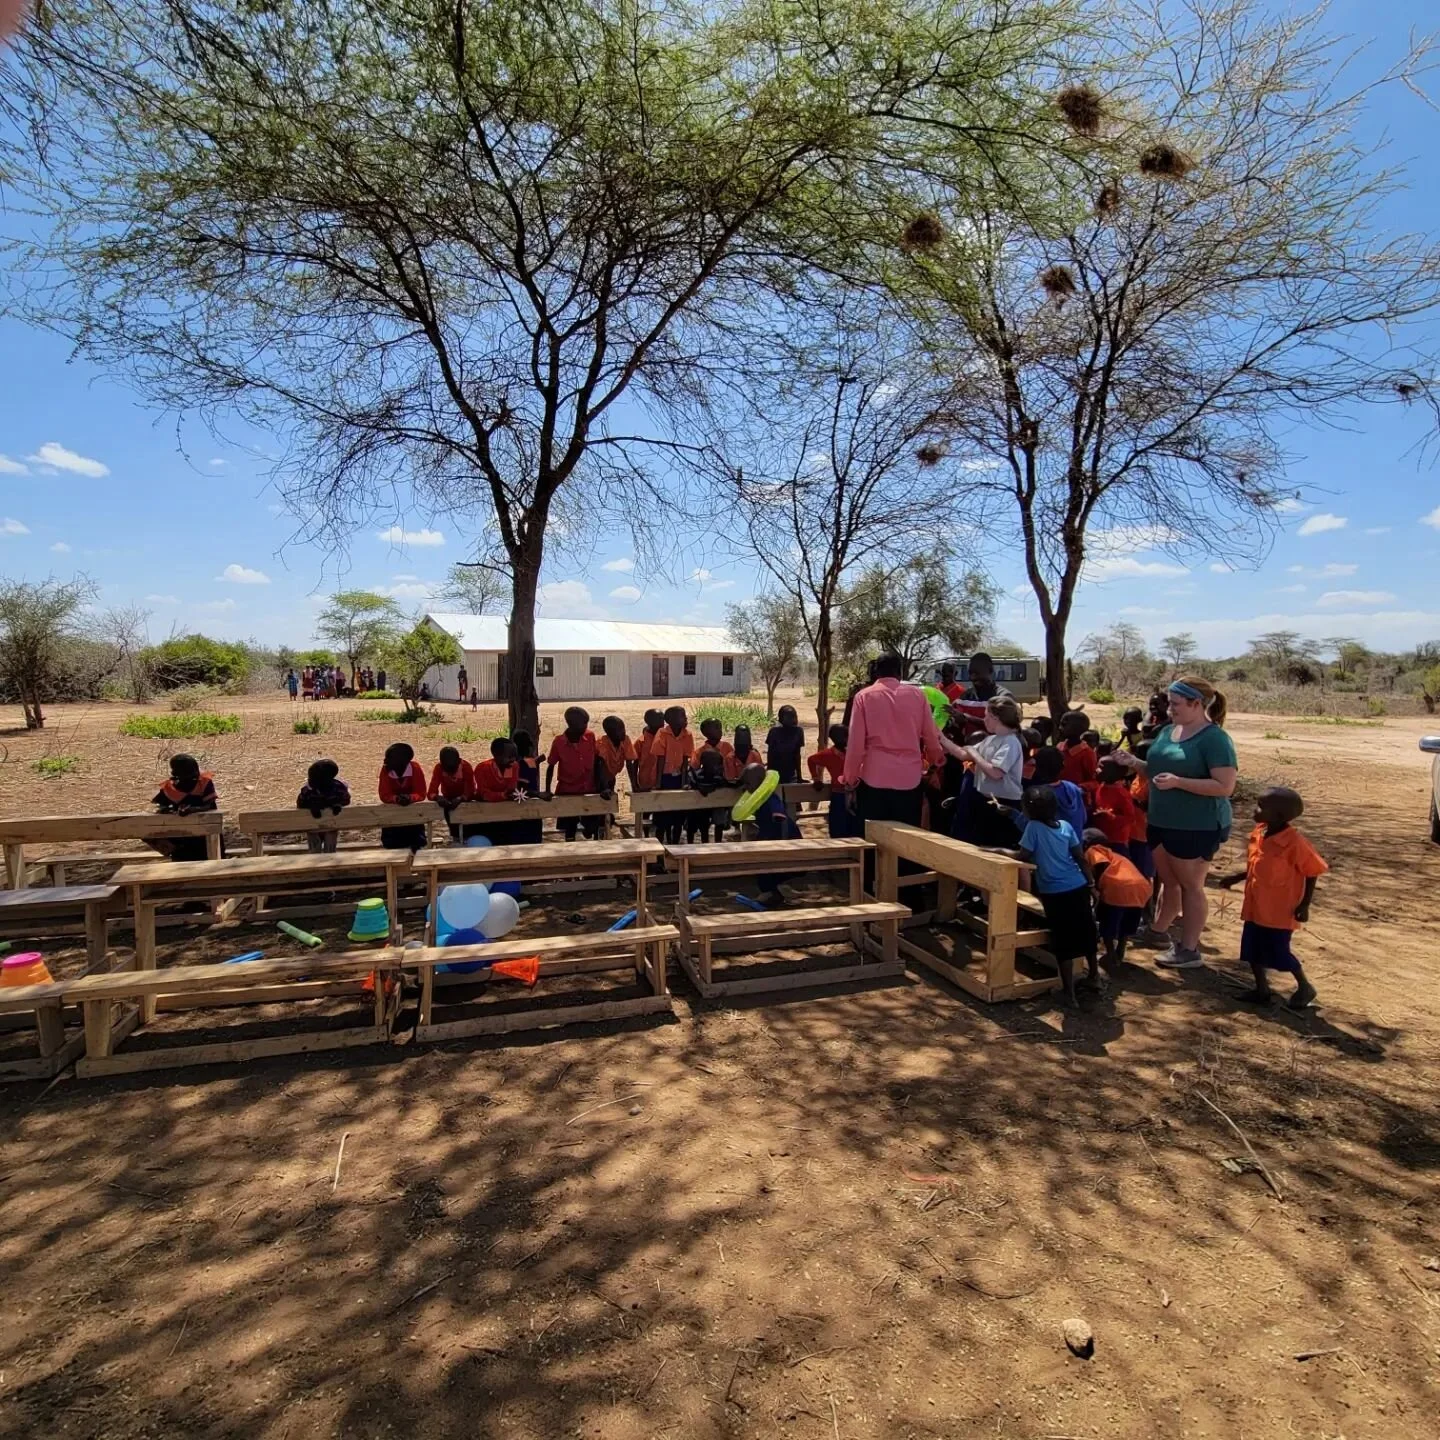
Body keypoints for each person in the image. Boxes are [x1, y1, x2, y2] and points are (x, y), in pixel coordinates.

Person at [1114, 677, 1237, 969]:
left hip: (1197, 824)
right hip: (1160, 820)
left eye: (1176, 704)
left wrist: (1180, 782)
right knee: (1169, 881)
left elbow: (1224, 786)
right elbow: (1156, 773)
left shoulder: (1215, 739)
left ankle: (1190, 949)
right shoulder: (1170, 731)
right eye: (1170, 703)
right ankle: (1158, 931)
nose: (1170, 709)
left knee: (1191, 886)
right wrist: (1132, 763)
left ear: (1197, 704)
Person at [1218, 786, 1328, 1009]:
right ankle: (1262, 989)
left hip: (1279, 909)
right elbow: (1257, 864)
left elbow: (1312, 871)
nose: (1255, 810)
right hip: (1256, 904)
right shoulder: (1259, 832)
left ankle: (1305, 986)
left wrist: (1305, 904)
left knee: (1277, 952)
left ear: (1279, 816)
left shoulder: (1294, 843)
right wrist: (1237, 877)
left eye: (1261, 807)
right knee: (1251, 948)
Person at [843, 652, 944, 883]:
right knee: (907, 838)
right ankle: (907, 894)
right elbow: (930, 736)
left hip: (873, 780)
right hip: (909, 780)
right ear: (901, 672)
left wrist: (849, 781)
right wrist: (937, 761)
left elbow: (855, 746)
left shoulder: (864, 697)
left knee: (872, 839)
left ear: (876, 672)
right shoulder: (917, 696)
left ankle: (869, 890)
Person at [1014, 785, 1097, 1007]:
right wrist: (1091, 883)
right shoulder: (1067, 826)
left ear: (1029, 810)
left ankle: (1068, 993)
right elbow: (1080, 858)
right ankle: (1094, 977)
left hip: (1055, 892)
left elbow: (1023, 855)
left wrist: (999, 852)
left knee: (1063, 941)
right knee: (1086, 929)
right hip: (1078, 885)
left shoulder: (1033, 828)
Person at [938, 695, 1025, 846]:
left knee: (1000, 846)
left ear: (995, 717)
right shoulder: (991, 739)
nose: (984, 720)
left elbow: (996, 773)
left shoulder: (1010, 742)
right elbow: (963, 754)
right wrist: (941, 738)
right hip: (985, 799)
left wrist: (974, 753)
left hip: (1004, 803)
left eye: (986, 716)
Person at [1082, 827, 1152, 970]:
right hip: (1141, 889)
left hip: (1117, 888)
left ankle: (1111, 954)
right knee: (1127, 923)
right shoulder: (1117, 856)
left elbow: (1101, 864)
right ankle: (1120, 950)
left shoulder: (1094, 851)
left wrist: (1094, 887)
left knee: (1108, 922)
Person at [737, 761, 801, 906]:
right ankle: (773, 893)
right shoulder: (760, 800)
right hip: (768, 837)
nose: (745, 788)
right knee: (762, 867)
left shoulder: (770, 799)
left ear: (760, 782)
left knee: (766, 867)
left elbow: (780, 817)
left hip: (781, 839)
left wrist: (782, 842)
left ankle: (770, 894)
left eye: (748, 784)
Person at [546, 707, 602, 841]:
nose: (586, 726)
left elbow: (597, 761)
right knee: (569, 828)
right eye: (583, 723)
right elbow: (551, 765)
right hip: (568, 790)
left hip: (589, 788)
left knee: (592, 827)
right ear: (571, 724)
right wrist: (547, 789)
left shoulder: (590, 736)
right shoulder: (559, 742)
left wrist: (601, 785)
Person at [150, 754, 219, 861]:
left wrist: (193, 810)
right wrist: (166, 810)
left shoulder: (204, 783)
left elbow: (209, 805)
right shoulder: (170, 788)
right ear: (176, 773)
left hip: (205, 831)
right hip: (182, 835)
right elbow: (161, 804)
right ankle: (171, 851)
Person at [1024, 745, 1088, 841]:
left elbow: (1025, 824)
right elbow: (1083, 818)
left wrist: (1012, 813)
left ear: (1037, 768)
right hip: (1074, 847)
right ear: (1063, 766)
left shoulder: (1038, 794)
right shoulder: (1073, 788)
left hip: (1048, 849)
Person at [653, 706, 695, 845]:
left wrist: (684, 781)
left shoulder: (687, 735)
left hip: (678, 777)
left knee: (678, 813)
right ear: (671, 720)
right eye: (682, 716)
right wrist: (658, 782)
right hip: (665, 777)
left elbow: (685, 760)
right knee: (663, 814)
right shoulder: (662, 733)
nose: (686, 718)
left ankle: (675, 843)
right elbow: (660, 758)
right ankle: (660, 844)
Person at [808, 723, 855, 838]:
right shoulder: (829, 754)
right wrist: (816, 779)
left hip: (854, 793)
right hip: (838, 794)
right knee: (838, 825)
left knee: (853, 825)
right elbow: (811, 760)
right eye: (847, 736)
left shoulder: (852, 752)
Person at [378, 742, 428, 849]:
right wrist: (396, 799)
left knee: (416, 844)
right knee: (392, 845)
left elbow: (421, 792)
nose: (385, 761)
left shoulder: (415, 768)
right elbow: (384, 794)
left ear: (403, 761)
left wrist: (410, 798)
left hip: (413, 815)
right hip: (392, 816)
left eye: (389, 758)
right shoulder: (386, 770)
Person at [474, 736, 523, 844]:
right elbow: (484, 794)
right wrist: (503, 795)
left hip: (506, 814)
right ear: (496, 755)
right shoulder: (482, 768)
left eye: (514, 756)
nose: (513, 760)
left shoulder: (513, 766)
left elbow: (511, 789)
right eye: (509, 756)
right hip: (484, 815)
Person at [297, 758, 351, 852]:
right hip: (316, 824)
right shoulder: (310, 790)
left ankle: (326, 861)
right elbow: (301, 804)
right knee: (319, 844)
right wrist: (312, 807)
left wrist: (337, 805)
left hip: (329, 824)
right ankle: (322, 860)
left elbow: (346, 800)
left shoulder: (337, 787)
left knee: (325, 843)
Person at [1089, 756, 1142, 849]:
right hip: (1102, 835)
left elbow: (1130, 817)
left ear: (1113, 773)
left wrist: (1111, 816)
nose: (1096, 770)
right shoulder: (1101, 786)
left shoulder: (1122, 794)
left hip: (1117, 840)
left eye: (1101, 767)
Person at [429, 744, 476, 840]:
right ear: (441, 764)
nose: (450, 773)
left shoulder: (466, 768)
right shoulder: (439, 768)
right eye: (447, 770)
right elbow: (431, 792)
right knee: (449, 812)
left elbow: (471, 790)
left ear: (459, 761)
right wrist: (437, 797)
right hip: (448, 798)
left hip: (466, 798)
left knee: (468, 818)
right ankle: (455, 836)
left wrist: (461, 798)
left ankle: (467, 836)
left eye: (453, 769)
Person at [511, 730, 544, 844]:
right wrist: (538, 794)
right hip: (527, 801)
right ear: (530, 747)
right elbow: (522, 788)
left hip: (518, 803)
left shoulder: (513, 763)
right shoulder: (526, 763)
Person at [596, 715, 639, 794]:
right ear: (610, 733)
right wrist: (604, 787)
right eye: (620, 730)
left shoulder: (625, 740)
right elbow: (601, 765)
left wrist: (634, 785)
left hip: (612, 776)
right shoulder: (602, 743)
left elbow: (629, 763)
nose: (624, 732)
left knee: (611, 795)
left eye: (623, 728)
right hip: (598, 778)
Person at [765, 705, 806, 785]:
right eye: (789, 717)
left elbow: (797, 755)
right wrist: (769, 775)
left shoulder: (798, 731)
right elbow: (770, 755)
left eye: (794, 716)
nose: (793, 719)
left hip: (790, 773)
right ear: (781, 719)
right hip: (775, 773)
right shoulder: (774, 732)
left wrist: (799, 777)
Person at [1057, 711, 1098, 789]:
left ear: (1077, 728)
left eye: (1064, 725)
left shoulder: (1086, 753)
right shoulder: (1059, 747)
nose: (1060, 728)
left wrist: (1078, 789)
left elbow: (1093, 780)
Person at [634, 709, 667, 793]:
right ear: (649, 722)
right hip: (646, 782)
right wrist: (634, 784)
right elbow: (634, 763)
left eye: (662, 719)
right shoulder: (641, 742)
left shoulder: (666, 738)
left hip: (665, 780)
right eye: (659, 720)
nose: (662, 723)